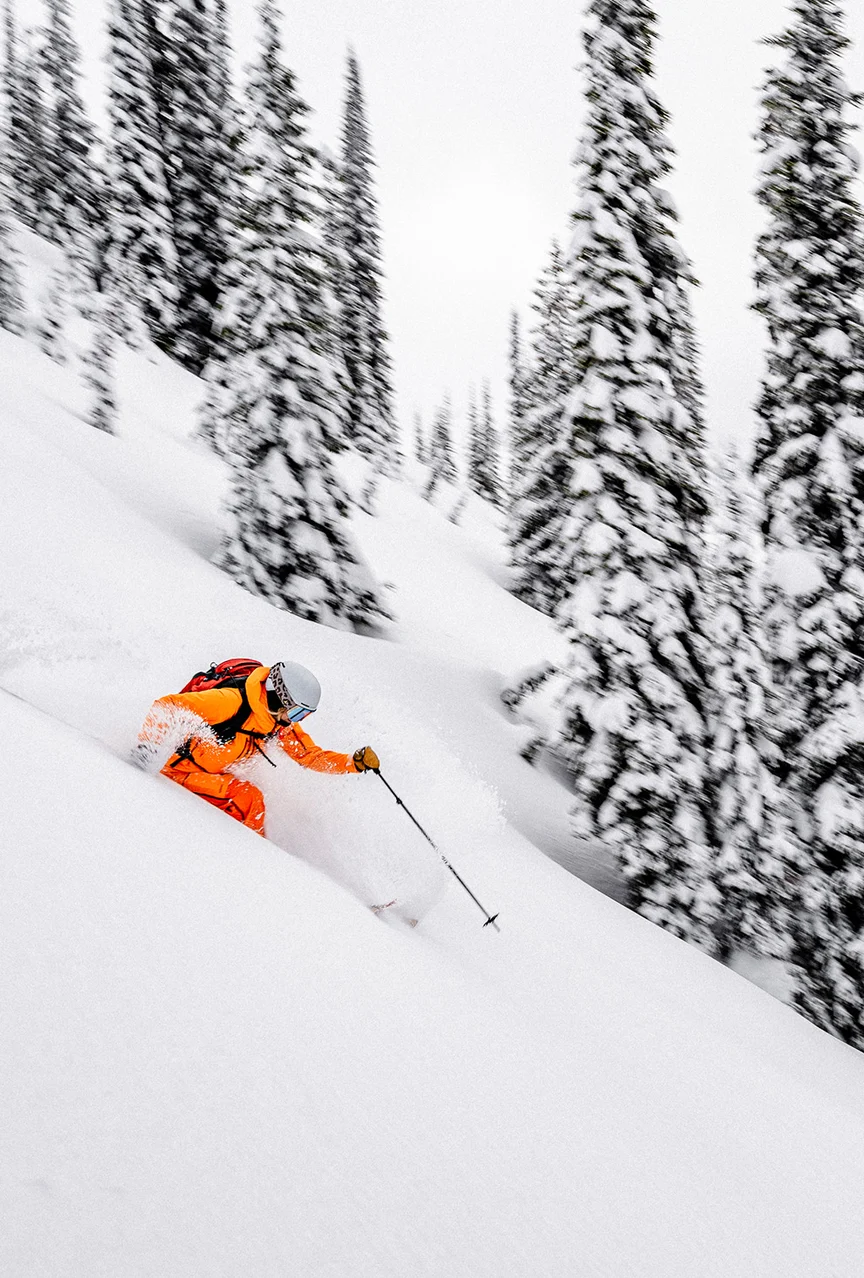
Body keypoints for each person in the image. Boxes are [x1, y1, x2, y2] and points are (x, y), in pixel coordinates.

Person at [137, 660, 379, 836]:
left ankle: (255, 852)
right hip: (176, 771)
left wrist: (353, 763)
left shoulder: (277, 723)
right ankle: (250, 859)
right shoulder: (230, 703)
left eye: (303, 715)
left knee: (252, 798)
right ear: (279, 698)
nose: (297, 720)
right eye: (297, 712)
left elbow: (309, 756)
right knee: (248, 797)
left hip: (209, 772)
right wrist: (147, 750)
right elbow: (167, 706)